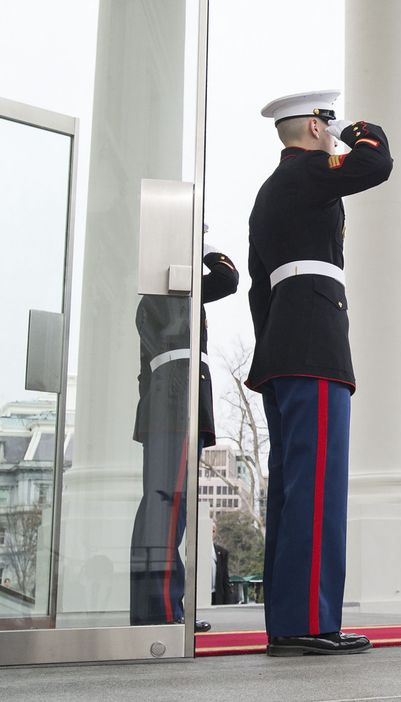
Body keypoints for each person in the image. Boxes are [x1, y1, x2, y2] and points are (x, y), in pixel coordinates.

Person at [247, 90, 392, 656]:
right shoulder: (308, 169)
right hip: (313, 341)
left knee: (290, 490)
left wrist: (273, 347)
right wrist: (364, 126)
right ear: (313, 126)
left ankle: (290, 622)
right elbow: (374, 162)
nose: (334, 135)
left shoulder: (269, 192)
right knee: (316, 489)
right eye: (329, 126)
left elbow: (260, 288)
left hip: (285, 343)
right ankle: (310, 621)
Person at [130, 234, 237, 633]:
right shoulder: (165, 295)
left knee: (168, 510)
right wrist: (207, 244)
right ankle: (160, 611)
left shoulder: (164, 300)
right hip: (175, 405)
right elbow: (227, 278)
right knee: (166, 508)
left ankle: (161, 608)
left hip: (174, 405)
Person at [211, 522, 231, 606]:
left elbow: (225, 578)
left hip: (217, 597)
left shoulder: (222, 552)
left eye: (213, 531)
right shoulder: (194, 552)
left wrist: (228, 601)